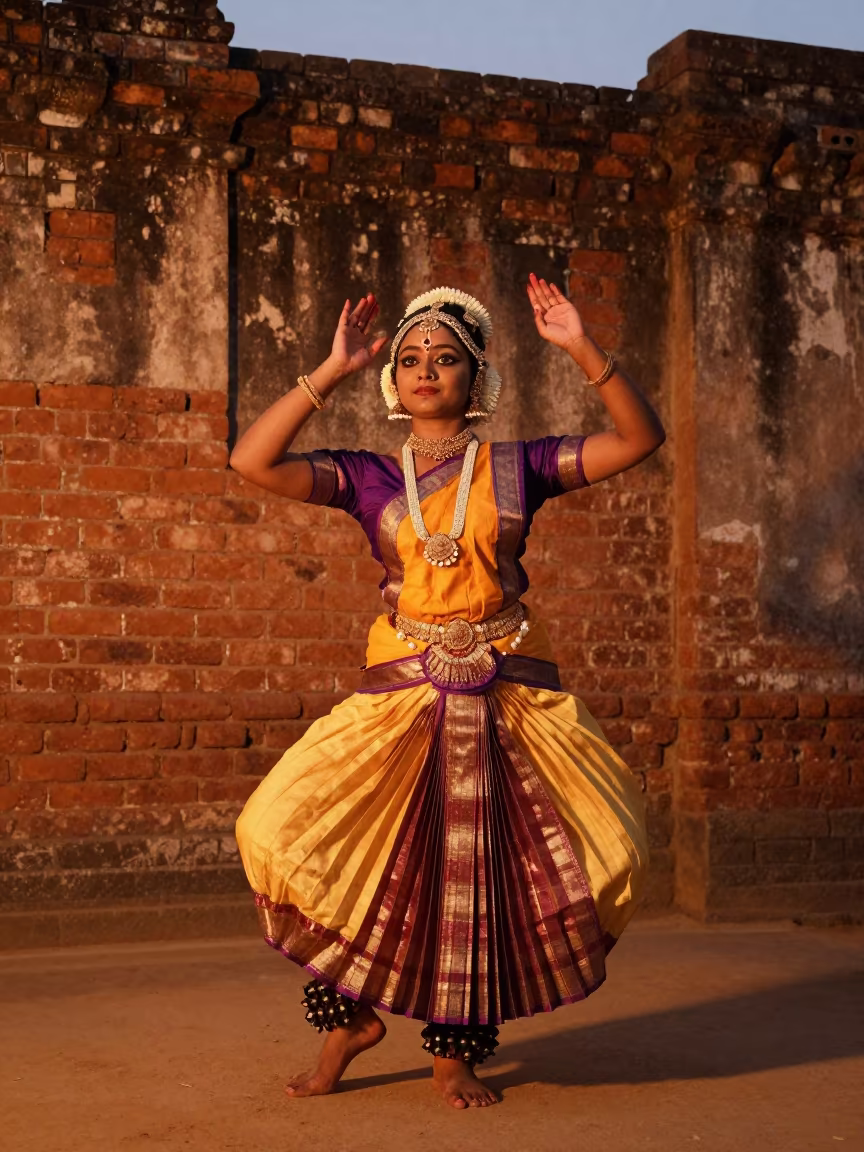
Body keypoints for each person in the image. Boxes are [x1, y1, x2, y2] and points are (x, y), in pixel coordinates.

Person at [231, 274, 666, 1110]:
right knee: (319, 842)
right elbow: (252, 461)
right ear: (392, 381)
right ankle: (347, 1024)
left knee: (475, 874)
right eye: (410, 359)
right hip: (401, 690)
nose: (426, 370)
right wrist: (330, 369)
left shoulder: (521, 466)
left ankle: (453, 1054)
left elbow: (638, 440)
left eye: (447, 359)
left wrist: (579, 344)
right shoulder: (366, 478)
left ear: (477, 380)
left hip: (503, 693)